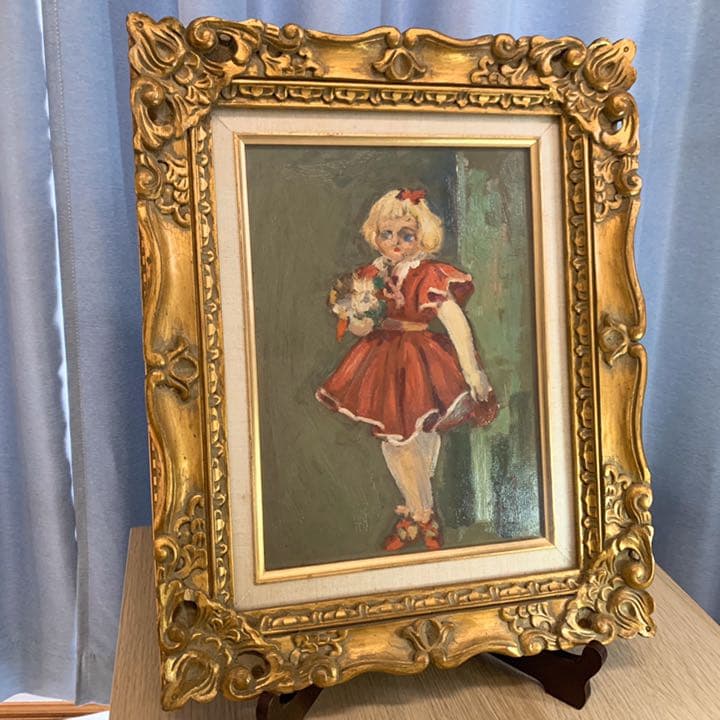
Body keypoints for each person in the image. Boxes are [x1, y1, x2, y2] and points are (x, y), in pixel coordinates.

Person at [316, 188, 498, 552]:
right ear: (375, 234)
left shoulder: (428, 273)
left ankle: (419, 515)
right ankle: (421, 513)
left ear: (422, 237)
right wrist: (355, 317)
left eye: (406, 235)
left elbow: (455, 322)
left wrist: (473, 372)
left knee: (418, 434)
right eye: (387, 234)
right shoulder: (371, 274)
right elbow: (362, 327)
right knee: (398, 440)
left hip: (419, 359)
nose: (395, 242)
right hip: (381, 359)